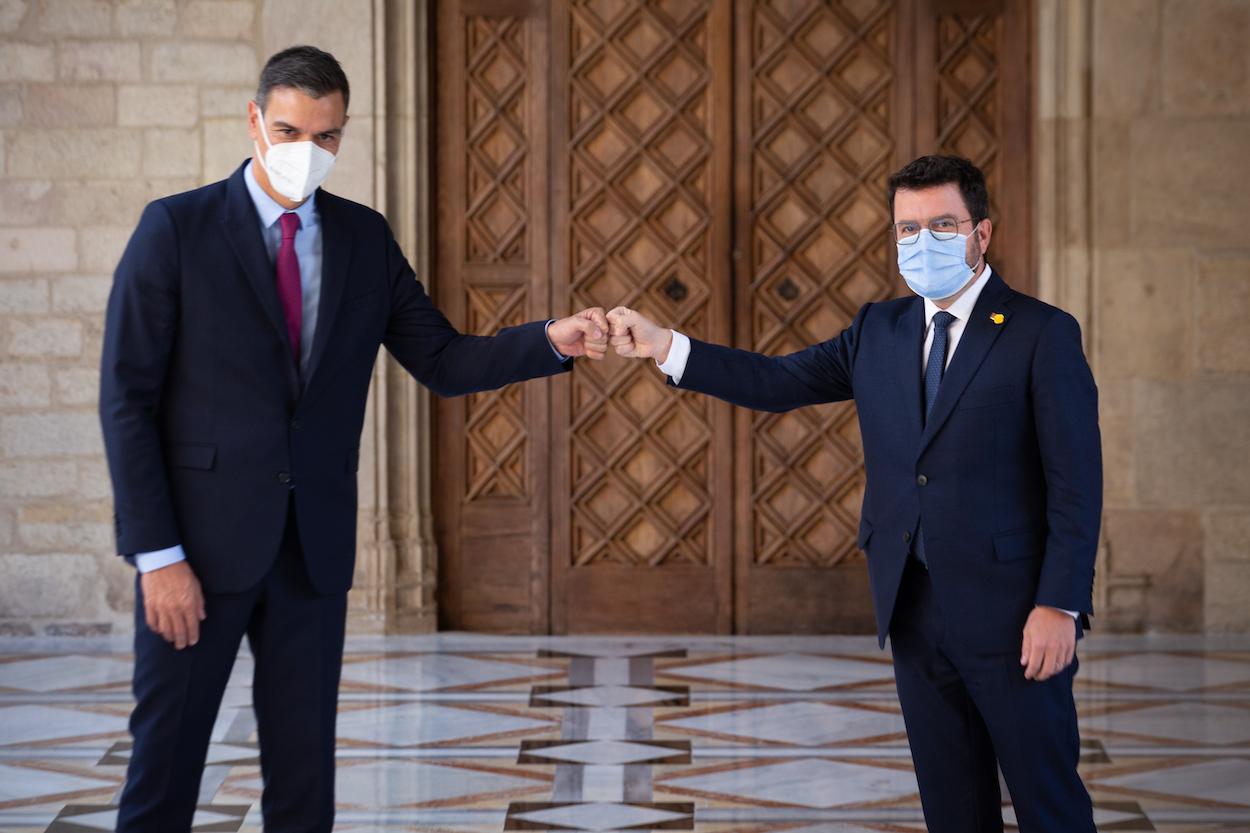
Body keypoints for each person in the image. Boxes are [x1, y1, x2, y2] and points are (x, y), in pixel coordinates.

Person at [98, 45, 608, 832]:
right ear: (255, 121)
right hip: (196, 552)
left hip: (313, 550)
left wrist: (553, 338)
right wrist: (157, 556)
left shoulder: (363, 238)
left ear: (342, 134)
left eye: (326, 136)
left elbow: (442, 358)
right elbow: (126, 399)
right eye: (289, 130)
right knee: (163, 772)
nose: (306, 151)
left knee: (304, 782)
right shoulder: (176, 229)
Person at [606, 155, 1100, 833]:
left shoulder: (1042, 334)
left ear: (982, 233)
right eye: (907, 229)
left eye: (942, 224)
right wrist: (667, 347)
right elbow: (776, 383)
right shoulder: (879, 330)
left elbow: (1077, 484)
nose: (922, 242)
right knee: (954, 812)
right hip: (915, 610)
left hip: (1016, 618)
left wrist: (1059, 604)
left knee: (1052, 809)